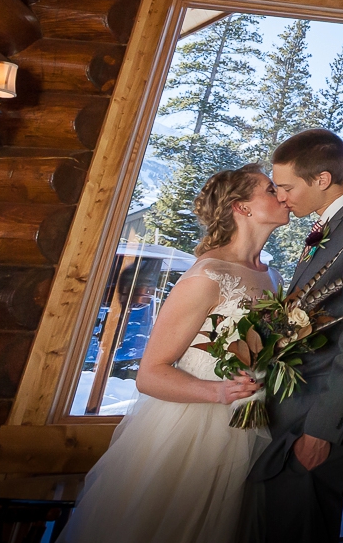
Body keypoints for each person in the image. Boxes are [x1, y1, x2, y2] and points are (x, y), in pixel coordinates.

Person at [63, 165, 290, 543]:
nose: (281, 195)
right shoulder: (208, 275)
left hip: (255, 427)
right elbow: (150, 373)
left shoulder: (275, 278)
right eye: (270, 189)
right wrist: (218, 393)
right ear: (242, 208)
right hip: (196, 430)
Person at [249, 128, 343, 543]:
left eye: (286, 187)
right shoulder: (334, 226)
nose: (280, 197)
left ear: (322, 180)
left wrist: (322, 429)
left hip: (315, 423)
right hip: (291, 414)